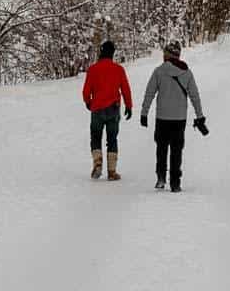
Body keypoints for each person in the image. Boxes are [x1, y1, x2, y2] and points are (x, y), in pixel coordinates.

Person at [140, 40, 207, 192]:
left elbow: (149, 93)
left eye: (165, 53)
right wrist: (200, 115)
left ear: (168, 55)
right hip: (179, 118)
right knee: (177, 150)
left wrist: (144, 113)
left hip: (162, 118)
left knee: (161, 148)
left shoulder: (159, 71)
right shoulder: (187, 73)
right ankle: (175, 182)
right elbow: (195, 96)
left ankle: (161, 178)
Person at [82, 40, 133, 181]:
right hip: (113, 109)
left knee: (96, 137)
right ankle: (112, 171)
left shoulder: (93, 69)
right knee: (112, 139)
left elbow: (86, 90)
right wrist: (129, 106)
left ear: (101, 52)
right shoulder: (118, 69)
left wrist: (88, 102)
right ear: (113, 53)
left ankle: (97, 164)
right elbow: (125, 89)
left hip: (97, 108)